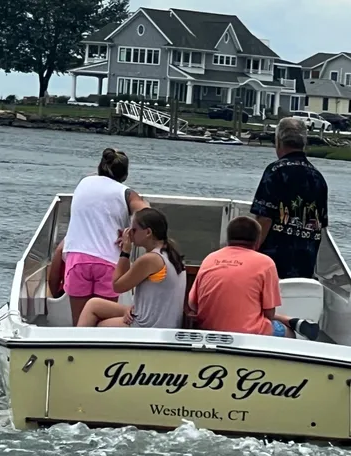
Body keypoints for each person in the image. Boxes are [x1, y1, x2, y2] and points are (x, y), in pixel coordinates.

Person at [188, 216, 320, 340]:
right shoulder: (265, 263)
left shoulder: (210, 258)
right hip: (249, 334)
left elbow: (193, 304)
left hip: (208, 330)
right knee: (289, 334)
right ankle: (290, 323)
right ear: (258, 242)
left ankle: (290, 320)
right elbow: (268, 314)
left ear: (228, 239)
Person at [62, 148, 150, 325]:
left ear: (100, 167)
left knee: (79, 323)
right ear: (125, 175)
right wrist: (130, 233)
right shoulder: (126, 193)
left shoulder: (84, 182)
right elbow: (147, 213)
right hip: (108, 261)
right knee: (102, 325)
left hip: (78, 259)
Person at [77, 208, 185, 329]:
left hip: (149, 326)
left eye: (134, 230)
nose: (130, 234)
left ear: (148, 232)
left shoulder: (150, 259)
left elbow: (117, 286)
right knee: (93, 304)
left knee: (100, 325)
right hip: (164, 321)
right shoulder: (171, 253)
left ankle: (77, 345)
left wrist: (125, 251)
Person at [250, 117, 329, 279]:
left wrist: (250, 255)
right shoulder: (318, 178)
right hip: (305, 265)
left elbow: (264, 219)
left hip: (274, 263)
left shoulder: (275, 171)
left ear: (278, 141)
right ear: (304, 143)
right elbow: (320, 226)